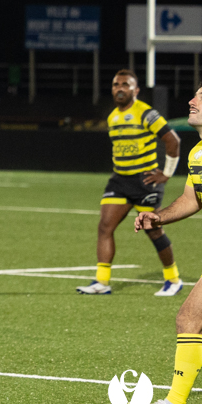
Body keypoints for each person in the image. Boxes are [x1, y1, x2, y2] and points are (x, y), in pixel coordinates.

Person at [76, 69, 183, 296]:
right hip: (119, 180)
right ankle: (102, 283)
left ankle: (173, 280)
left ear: (136, 90)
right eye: (116, 84)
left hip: (145, 181)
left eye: (125, 84)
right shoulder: (113, 116)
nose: (120, 88)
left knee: (153, 231)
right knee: (105, 227)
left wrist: (166, 174)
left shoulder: (146, 113)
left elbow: (173, 140)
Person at [134, 84, 202, 404]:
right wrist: (158, 216)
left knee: (189, 319)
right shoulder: (198, 154)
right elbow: (192, 198)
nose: (191, 101)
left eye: (201, 97)